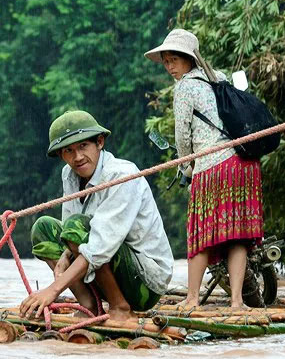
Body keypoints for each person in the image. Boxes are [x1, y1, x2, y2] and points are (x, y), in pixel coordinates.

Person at [144, 29, 264, 309]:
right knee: (238, 234)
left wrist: (187, 165)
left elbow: (183, 138)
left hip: (213, 166)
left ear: (188, 59)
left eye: (174, 60)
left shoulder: (185, 87)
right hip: (244, 165)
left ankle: (192, 299)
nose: (170, 67)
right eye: (166, 62)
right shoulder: (218, 78)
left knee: (201, 236)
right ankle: (237, 303)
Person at [19, 110, 174, 321]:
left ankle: (120, 308)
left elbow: (100, 245)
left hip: (144, 283)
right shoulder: (69, 174)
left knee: (78, 227)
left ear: (99, 142)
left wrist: (52, 291)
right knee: (44, 227)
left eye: (83, 146)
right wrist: (64, 259)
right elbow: (68, 232)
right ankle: (89, 305)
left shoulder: (121, 175)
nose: (78, 157)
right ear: (61, 155)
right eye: (69, 151)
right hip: (99, 267)